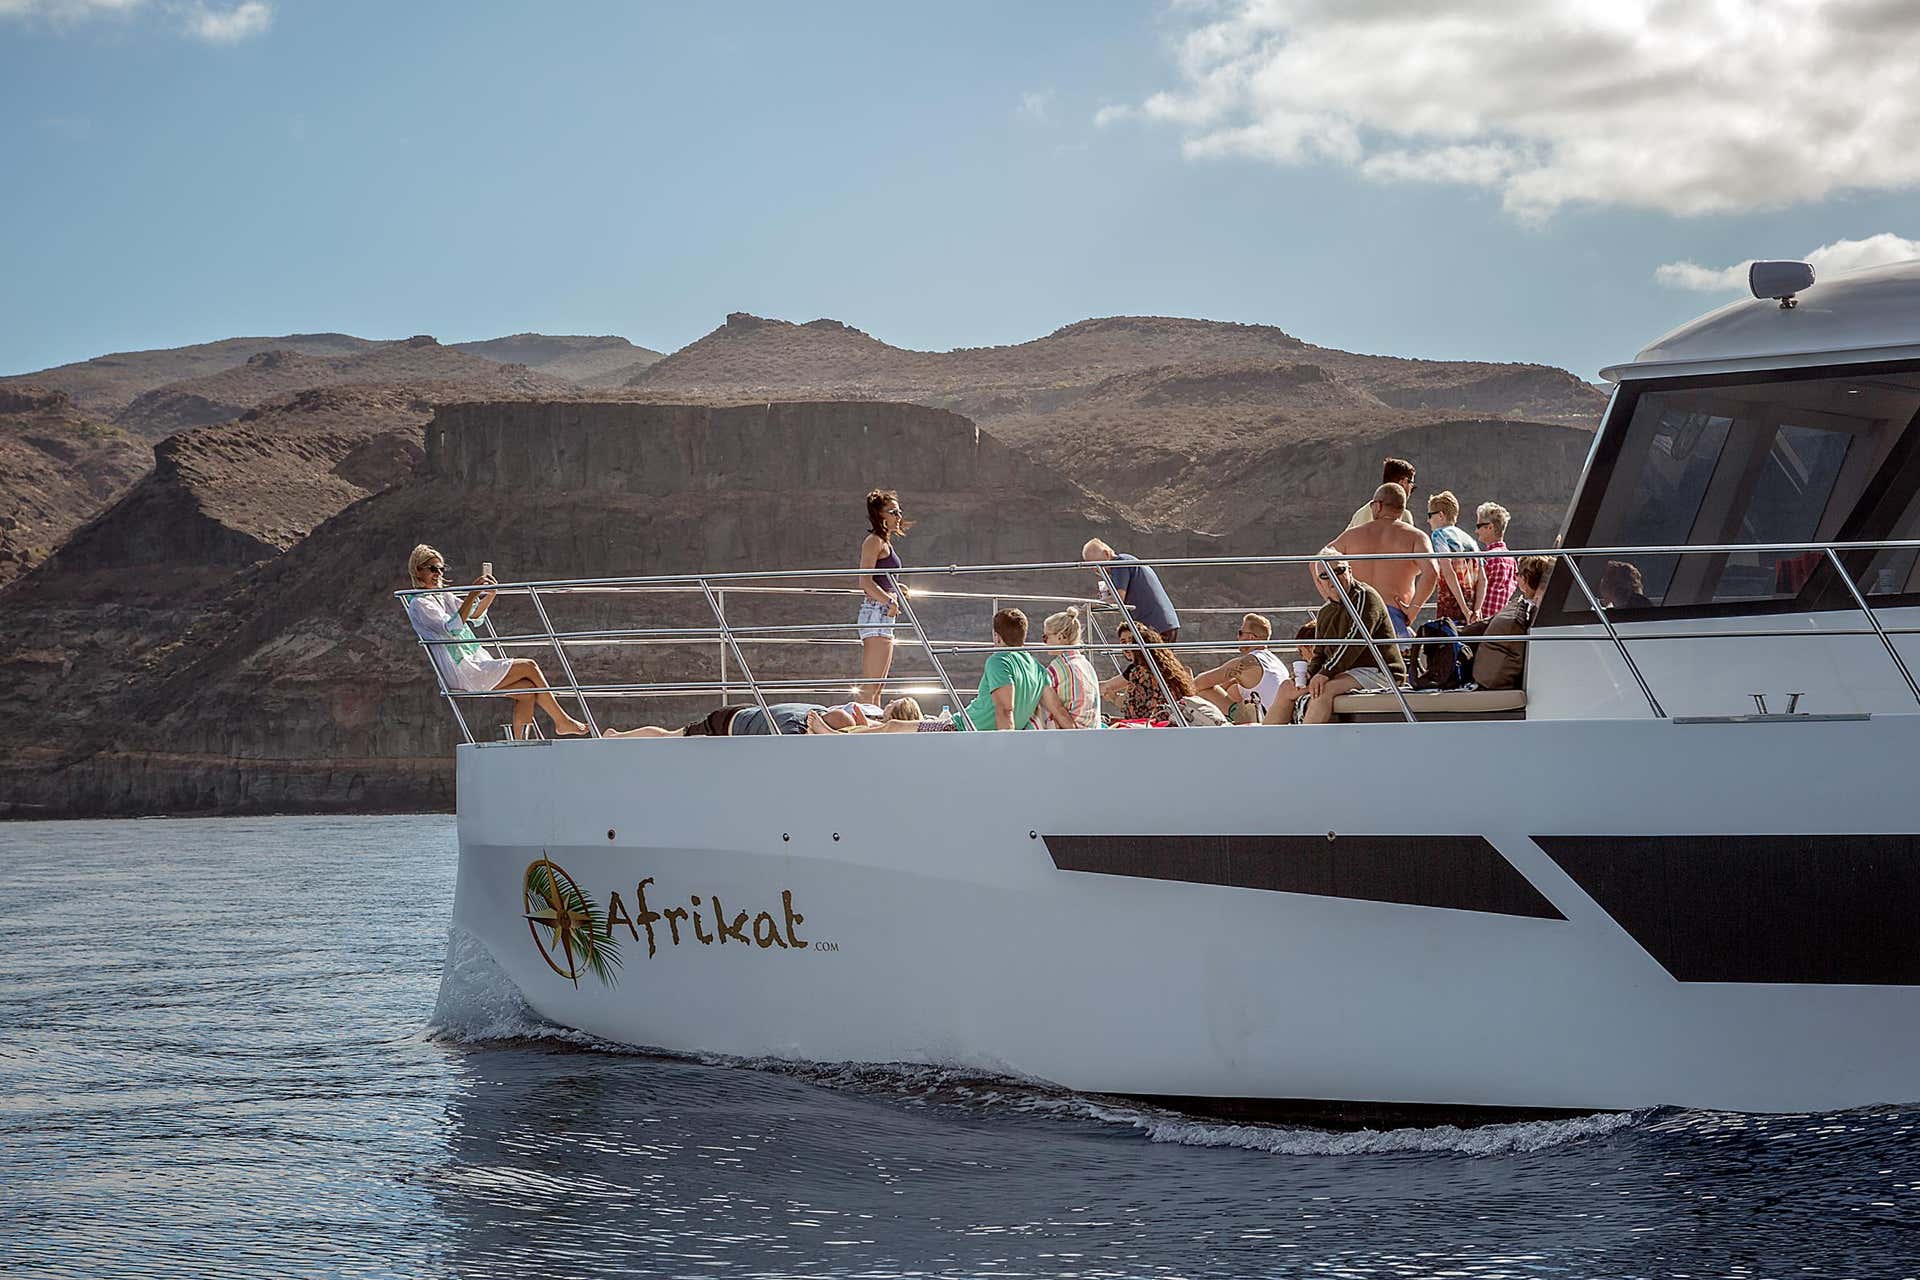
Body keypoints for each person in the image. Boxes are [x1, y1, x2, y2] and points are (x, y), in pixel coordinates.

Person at [404, 543, 589, 740]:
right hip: (462, 670)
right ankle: (562, 721)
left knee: (527, 690)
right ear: (418, 570)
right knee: (529, 666)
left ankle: (521, 743)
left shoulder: (443, 596)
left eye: (441, 569)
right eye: (433, 569)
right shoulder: (420, 604)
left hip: (472, 664)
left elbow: (474, 616)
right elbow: (453, 628)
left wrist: (489, 595)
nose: (438, 574)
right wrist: (472, 593)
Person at [1264, 554, 1407, 725]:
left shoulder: (1365, 597)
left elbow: (1355, 641)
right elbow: (1320, 653)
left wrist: (1325, 673)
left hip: (1379, 671)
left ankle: (1303, 747)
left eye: (1339, 570)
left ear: (1350, 571)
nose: (1333, 578)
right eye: (1325, 575)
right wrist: (1310, 673)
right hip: (1344, 673)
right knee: (1287, 688)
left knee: (1324, 690)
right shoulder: (1325, 612)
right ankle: (1270, 745)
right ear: (1320, 582)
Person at [1330, 483, 1438, 639]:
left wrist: (1335, 600)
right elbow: (1432, 572)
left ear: (1378, 506)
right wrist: (1413, 609)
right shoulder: (1416, 537)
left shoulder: (1351, 536)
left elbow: (1317, 562)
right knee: (1395, 662)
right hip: (1393, 617)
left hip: (1355, 613)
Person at [960, 608, 1078, 730]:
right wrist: (1079, 737)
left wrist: (1008, 747)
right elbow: (1059, 711)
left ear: (997, 637)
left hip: (962, 728)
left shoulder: (999, 661)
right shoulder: (1038, 668)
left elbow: (1006, 710)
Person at [1462, 555, 1555, 689]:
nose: (1516, 577)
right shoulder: (1536, 610)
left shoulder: (1519, 609)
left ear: (1525, 579)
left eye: (1517, 574)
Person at [856, 489, 912, 704]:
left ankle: (875, 728)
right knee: (871, 686)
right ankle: (864, 731)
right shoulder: (873, 541)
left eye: (899, 511)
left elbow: (881, 579)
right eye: (894, 512)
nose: (899, 516)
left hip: (885, 614)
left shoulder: (885, 543)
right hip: (876, 613)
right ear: (880, 515)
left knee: (879, 686)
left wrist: (897, 589)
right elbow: (865, 581)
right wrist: (889, 600)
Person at [1189, 613, 1289, 724]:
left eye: (1240, 633)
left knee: (1204, 692)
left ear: (1251, 637)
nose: (1238, 637)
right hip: (1279, 720)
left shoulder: (1247, 663)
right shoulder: (1275, 662)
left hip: (1264, 724)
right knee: (1234, 688)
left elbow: (1198, 683)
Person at [1100, 623, 1202, 723]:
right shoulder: (1166, 665)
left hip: (1153, 726)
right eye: (1123, 642)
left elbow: (1132, 710)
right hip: (1174, 721)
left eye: (1131, 641)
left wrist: (1113, 698)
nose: (1127, 646)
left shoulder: (1139, 672)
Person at [1081, 538, 1180, 640]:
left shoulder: (1119, 564)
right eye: (1091, 566)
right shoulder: (1126, 560)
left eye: (1096, 564)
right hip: (1164, 623)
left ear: (1106, 554)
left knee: (1145, 655)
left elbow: (1118, 600)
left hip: (1155, 626)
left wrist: (1091, 605)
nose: (1094, 569)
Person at [1031, 609, 1102, 728]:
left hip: (1070, 732)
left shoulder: (1058, 667)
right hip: (1092, 729)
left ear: (1060, 637)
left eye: (1045, 637)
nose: (1045, 642)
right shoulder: (1086, 664)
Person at [606, 701, 826, 738]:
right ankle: (617, 736)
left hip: (745, 713)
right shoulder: (796, 732)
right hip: (723, 722)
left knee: (673, 734)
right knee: (671, 736)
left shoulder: (819, 712)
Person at [1425, 490, 1483, 625]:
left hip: (1451, 607)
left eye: (1429, 515)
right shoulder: (1470, 540)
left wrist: (1464, 608)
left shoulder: (1439, 535)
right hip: (1472, 612)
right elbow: (1483, 579)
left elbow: (1448, 571)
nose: (1428, 520)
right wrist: (1477, 610)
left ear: (1441, 515)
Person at [1346, 458, 1418, 531]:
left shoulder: (1359, 514)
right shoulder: (1403, 516)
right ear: (1403, 483)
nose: (1411, 490)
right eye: (1412, 486)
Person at [1474, 502, 1518, 618]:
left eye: (1478, 526)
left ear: (1490, 527)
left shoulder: (1487, 558)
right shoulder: (1511, 558)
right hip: (1500, 621)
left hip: (1483, 622)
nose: (1476, 531)